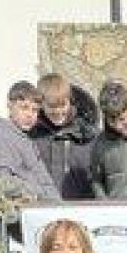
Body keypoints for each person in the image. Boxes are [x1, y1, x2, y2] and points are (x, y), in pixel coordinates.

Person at [0, 80, 60, 205]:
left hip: (41, 209)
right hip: (15, 213)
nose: (30, 115)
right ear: (9, 105)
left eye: (35, 110)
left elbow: (45, 181)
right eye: (24, 108)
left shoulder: (25, 139)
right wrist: (36, 192)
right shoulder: (0, 135)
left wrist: (59, 207)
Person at [29, 72, 100, 200]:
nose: (58, 111)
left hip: (82, 206)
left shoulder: (89, 135)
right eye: (52, 106)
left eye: (62, 105)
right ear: (41, 104)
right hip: (43, 205)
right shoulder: (31, 135)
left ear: (70, 101)